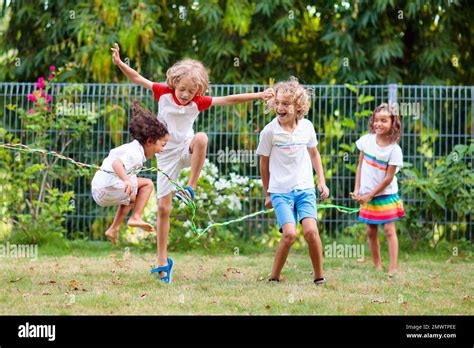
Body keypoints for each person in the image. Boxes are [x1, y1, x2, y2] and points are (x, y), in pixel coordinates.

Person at [111, 43, 273, 282]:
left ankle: (191, 188)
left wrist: (259, 95)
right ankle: (162, 262)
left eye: (191, 91)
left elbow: (229, 100)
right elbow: (137, 78)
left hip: (187, 149)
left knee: (202, 138)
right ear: (174, 83)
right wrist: (120, 63)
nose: (185, 94)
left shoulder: (199, 102)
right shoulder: (162, 92)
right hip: (165, 154)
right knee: (164, 209)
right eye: (182, 89)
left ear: (198, 91)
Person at [257, 77, 329, 284]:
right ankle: (274, 277)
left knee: (311, 232)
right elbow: (263, 164)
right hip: (281, 191)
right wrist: (268, 193)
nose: (280, 108)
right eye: (277, 103)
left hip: (305, 189)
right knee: (289, 234)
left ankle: (319, 277)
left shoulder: (306, 127)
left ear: (298, 107)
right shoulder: (269, 131)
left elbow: (314, 154)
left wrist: (321, 182)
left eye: (286, 104)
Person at [91, 102, 169, 245]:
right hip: (104, 188)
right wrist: (126, 180)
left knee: (136, 192)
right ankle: (136, 217)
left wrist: (128, 181)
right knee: (145, 186)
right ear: (150, 141)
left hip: (101, 188)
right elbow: (116, 164)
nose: (162, 150)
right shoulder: (135, 154)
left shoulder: (135, 148)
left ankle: (114, 229)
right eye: (162, 145)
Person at [352, 103, 405, 276]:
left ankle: (393, 269)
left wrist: (369, 195)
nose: (378, 124)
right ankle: (377, 266)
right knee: (370, 230)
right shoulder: (366, 141)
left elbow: (388, 178)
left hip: (385, 195)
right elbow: (359, 166)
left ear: (393, 123)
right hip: (367, 194)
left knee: (389, 230)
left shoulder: (394, 150)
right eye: (376, 120)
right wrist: (358, 190)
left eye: (384, 120)